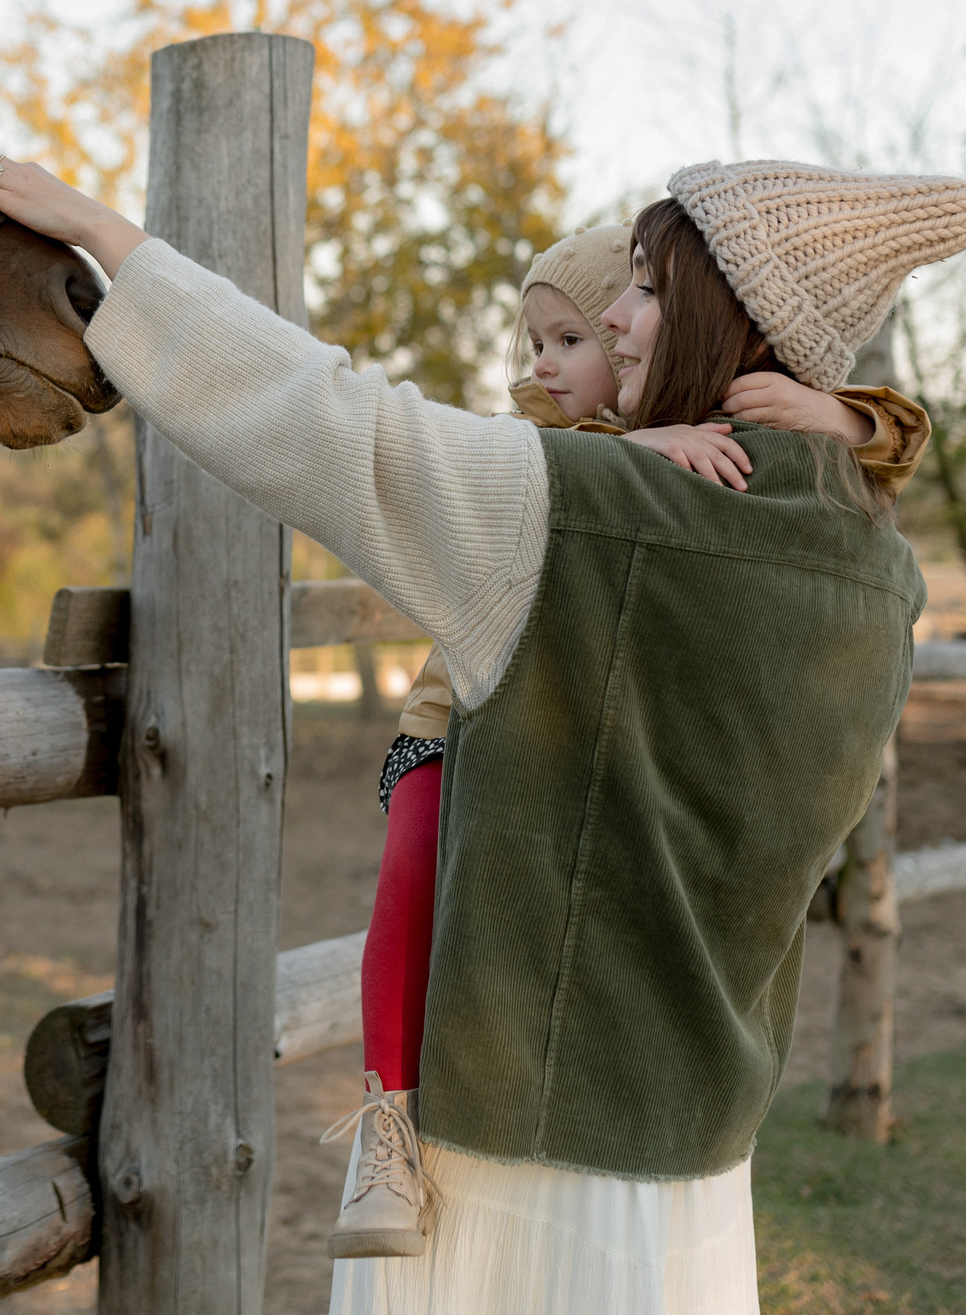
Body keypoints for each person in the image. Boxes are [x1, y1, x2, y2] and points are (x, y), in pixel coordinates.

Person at [0, 150, 966, 1315]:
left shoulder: (578, 513)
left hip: (508, 1163)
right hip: (699, 1154)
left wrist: (101, 233)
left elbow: (323, 416)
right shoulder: (882, 580)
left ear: (725, 313)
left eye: (646, 287)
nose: (618, 318)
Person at [341, 224, 932, 1260]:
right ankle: (386, 1115)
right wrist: (635, 450)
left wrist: (836, 414)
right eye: (538, 341)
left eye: (572, 339)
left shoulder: (716, 443)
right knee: (408, 885)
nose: (549, 362)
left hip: (568, 748)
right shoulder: (550, 435)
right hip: (445, 727)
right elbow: (500, 463)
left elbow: (900, 442)